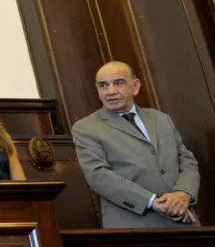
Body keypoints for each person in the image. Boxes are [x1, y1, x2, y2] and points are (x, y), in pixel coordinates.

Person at [72, 61, 199, 228]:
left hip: (182, 219)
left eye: (119, 83)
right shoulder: (86, 127)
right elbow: (98, 176)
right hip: (134, 226)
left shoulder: (161, 119)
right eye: (103, 85)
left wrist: (184, 194)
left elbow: (187, 161)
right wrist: (152, 202)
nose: (110, 91)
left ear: (135, 86)